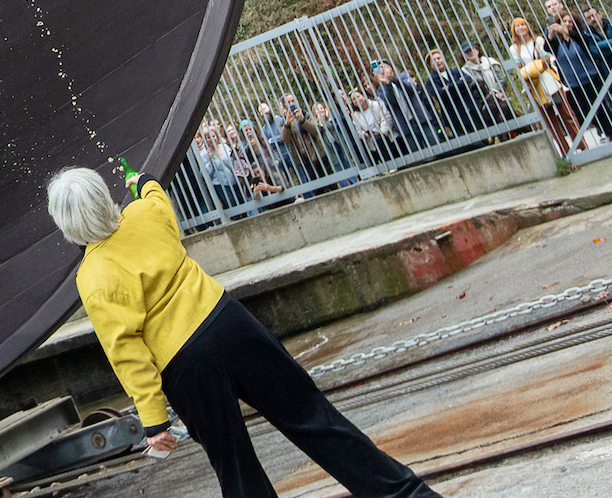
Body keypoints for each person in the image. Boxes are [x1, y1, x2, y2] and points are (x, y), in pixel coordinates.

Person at [46, 166, 442, 498]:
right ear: (104, 197)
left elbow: (127, 351)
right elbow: (154, 192)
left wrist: (154, 421)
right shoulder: (145, 213)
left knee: (237, 469)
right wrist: (142, 180)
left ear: (67, 225)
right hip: (230, 324)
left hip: (185, 366)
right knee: (314, 418)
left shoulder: (93, 277)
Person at [509, 16, 580, 155]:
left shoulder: (538, 40)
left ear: (528, 26)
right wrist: (534, 68)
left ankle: (581, 145)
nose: (520, 28)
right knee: (550, 120)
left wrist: (531, 68)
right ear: (514, 30)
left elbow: (546, 58)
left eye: (523, 25)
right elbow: (518, 69)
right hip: (533, 85)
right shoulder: (514, 48)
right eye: (517, 26)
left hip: (549, 81)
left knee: (566, 114)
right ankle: (565, 152)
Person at [543, 0, 612, 140]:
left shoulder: (579, 36)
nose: (567, 24)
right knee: (585, 109)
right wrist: (550, 35)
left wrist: (566, 31)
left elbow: (582, 40)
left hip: (591, 77)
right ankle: (600, 131)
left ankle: (610, 132)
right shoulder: (558, 41)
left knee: (601, 107)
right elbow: (547, 48)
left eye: (570, 22)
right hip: (573, 81)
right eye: (564, 21)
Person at [372, 60, 439, 158]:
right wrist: (387, 84)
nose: (383, 70)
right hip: (406, 127)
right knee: (419, 157)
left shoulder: (403, 76)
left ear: (390, 67)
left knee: (436, 147)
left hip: (421, 119)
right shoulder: (381, 90)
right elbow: (391, 101)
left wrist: (395, 80)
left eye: (384, 67)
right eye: (380, 68)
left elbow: (411, 90)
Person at [422, 48, 490, 142]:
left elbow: (468, 80)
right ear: (430, 65)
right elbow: (441, 95)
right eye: (434, 60)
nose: (437, 61)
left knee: (483, 138)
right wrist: (459, 84)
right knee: (467, 142)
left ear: (443, 59)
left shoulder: (456, 71)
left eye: (438, 58)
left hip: (470, 111)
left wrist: (448, 87)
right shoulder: (431, 82)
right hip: (454, 118)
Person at [459, 40, 515, 131]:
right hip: (483, 103)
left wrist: (497, 91)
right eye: (466, 52)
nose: (470, 53)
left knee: (509, 117)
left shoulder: (490, 62)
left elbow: (501, 78)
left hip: (499, 95)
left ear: (477, 50)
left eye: (471, 50)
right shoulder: (464, 71)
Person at [277, 93, 326, 189]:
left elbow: (316, 130)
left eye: (293, 101)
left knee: (328, 182)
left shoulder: (306, 114)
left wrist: (302, 120)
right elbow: (285, 139)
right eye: (288, 102)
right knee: (315, 188)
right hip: (303, 159)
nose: (292, 103)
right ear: (284, 105)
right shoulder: (284, 122)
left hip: (317, 154)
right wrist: (287, 124)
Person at [347, 88, 394, 165]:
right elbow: (358, 130)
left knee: (379, 139)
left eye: (358, 96)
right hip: (370, 141)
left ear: (364, 96)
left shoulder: (376, 105)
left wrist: (381, 132)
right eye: (353, 99)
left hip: (385, 136)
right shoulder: (356, 115)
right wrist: (365, 134)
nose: (356, 100)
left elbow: (386, 119)